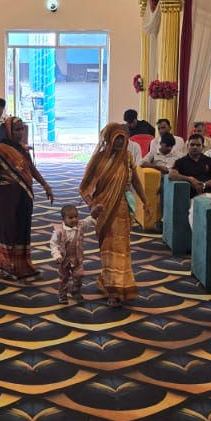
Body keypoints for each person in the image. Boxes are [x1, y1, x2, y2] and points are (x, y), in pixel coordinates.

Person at [80, 124, 147, 307]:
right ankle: (112, 288)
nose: (120, 142)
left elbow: (135, 181)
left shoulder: (127, 157)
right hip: (104, 210)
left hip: (123, 209)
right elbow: (85, 186)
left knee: (122, 249)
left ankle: (113, 284)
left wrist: (145, 201)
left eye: (122, 139)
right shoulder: (99, 159)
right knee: (108, 249)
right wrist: (92, 206)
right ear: (109, 138)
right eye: (117, 138)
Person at [0, 116, 54, 281]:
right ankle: (5, 266)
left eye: (21, 129)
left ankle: (22, 266)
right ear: (9, 131)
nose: (20, 133)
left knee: (21, 229)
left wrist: (45, 185)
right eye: (16, 130)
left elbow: (31, 169)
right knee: (7, 230)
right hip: (5, 198)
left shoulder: (22, 149)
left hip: (23, 196)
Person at [50, 205, 94, 304]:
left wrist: (95, 214)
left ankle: (76, 291)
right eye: (70, 218)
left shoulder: (80, 226)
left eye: (76, 216)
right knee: (63, 278)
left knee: (79, 275)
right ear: (63, 219)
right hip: (64, 260)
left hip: (77, 258)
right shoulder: (59, 231)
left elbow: (88, 221)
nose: (74, 219)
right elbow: (54, 244)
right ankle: (62, 294)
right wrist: (57, 255)